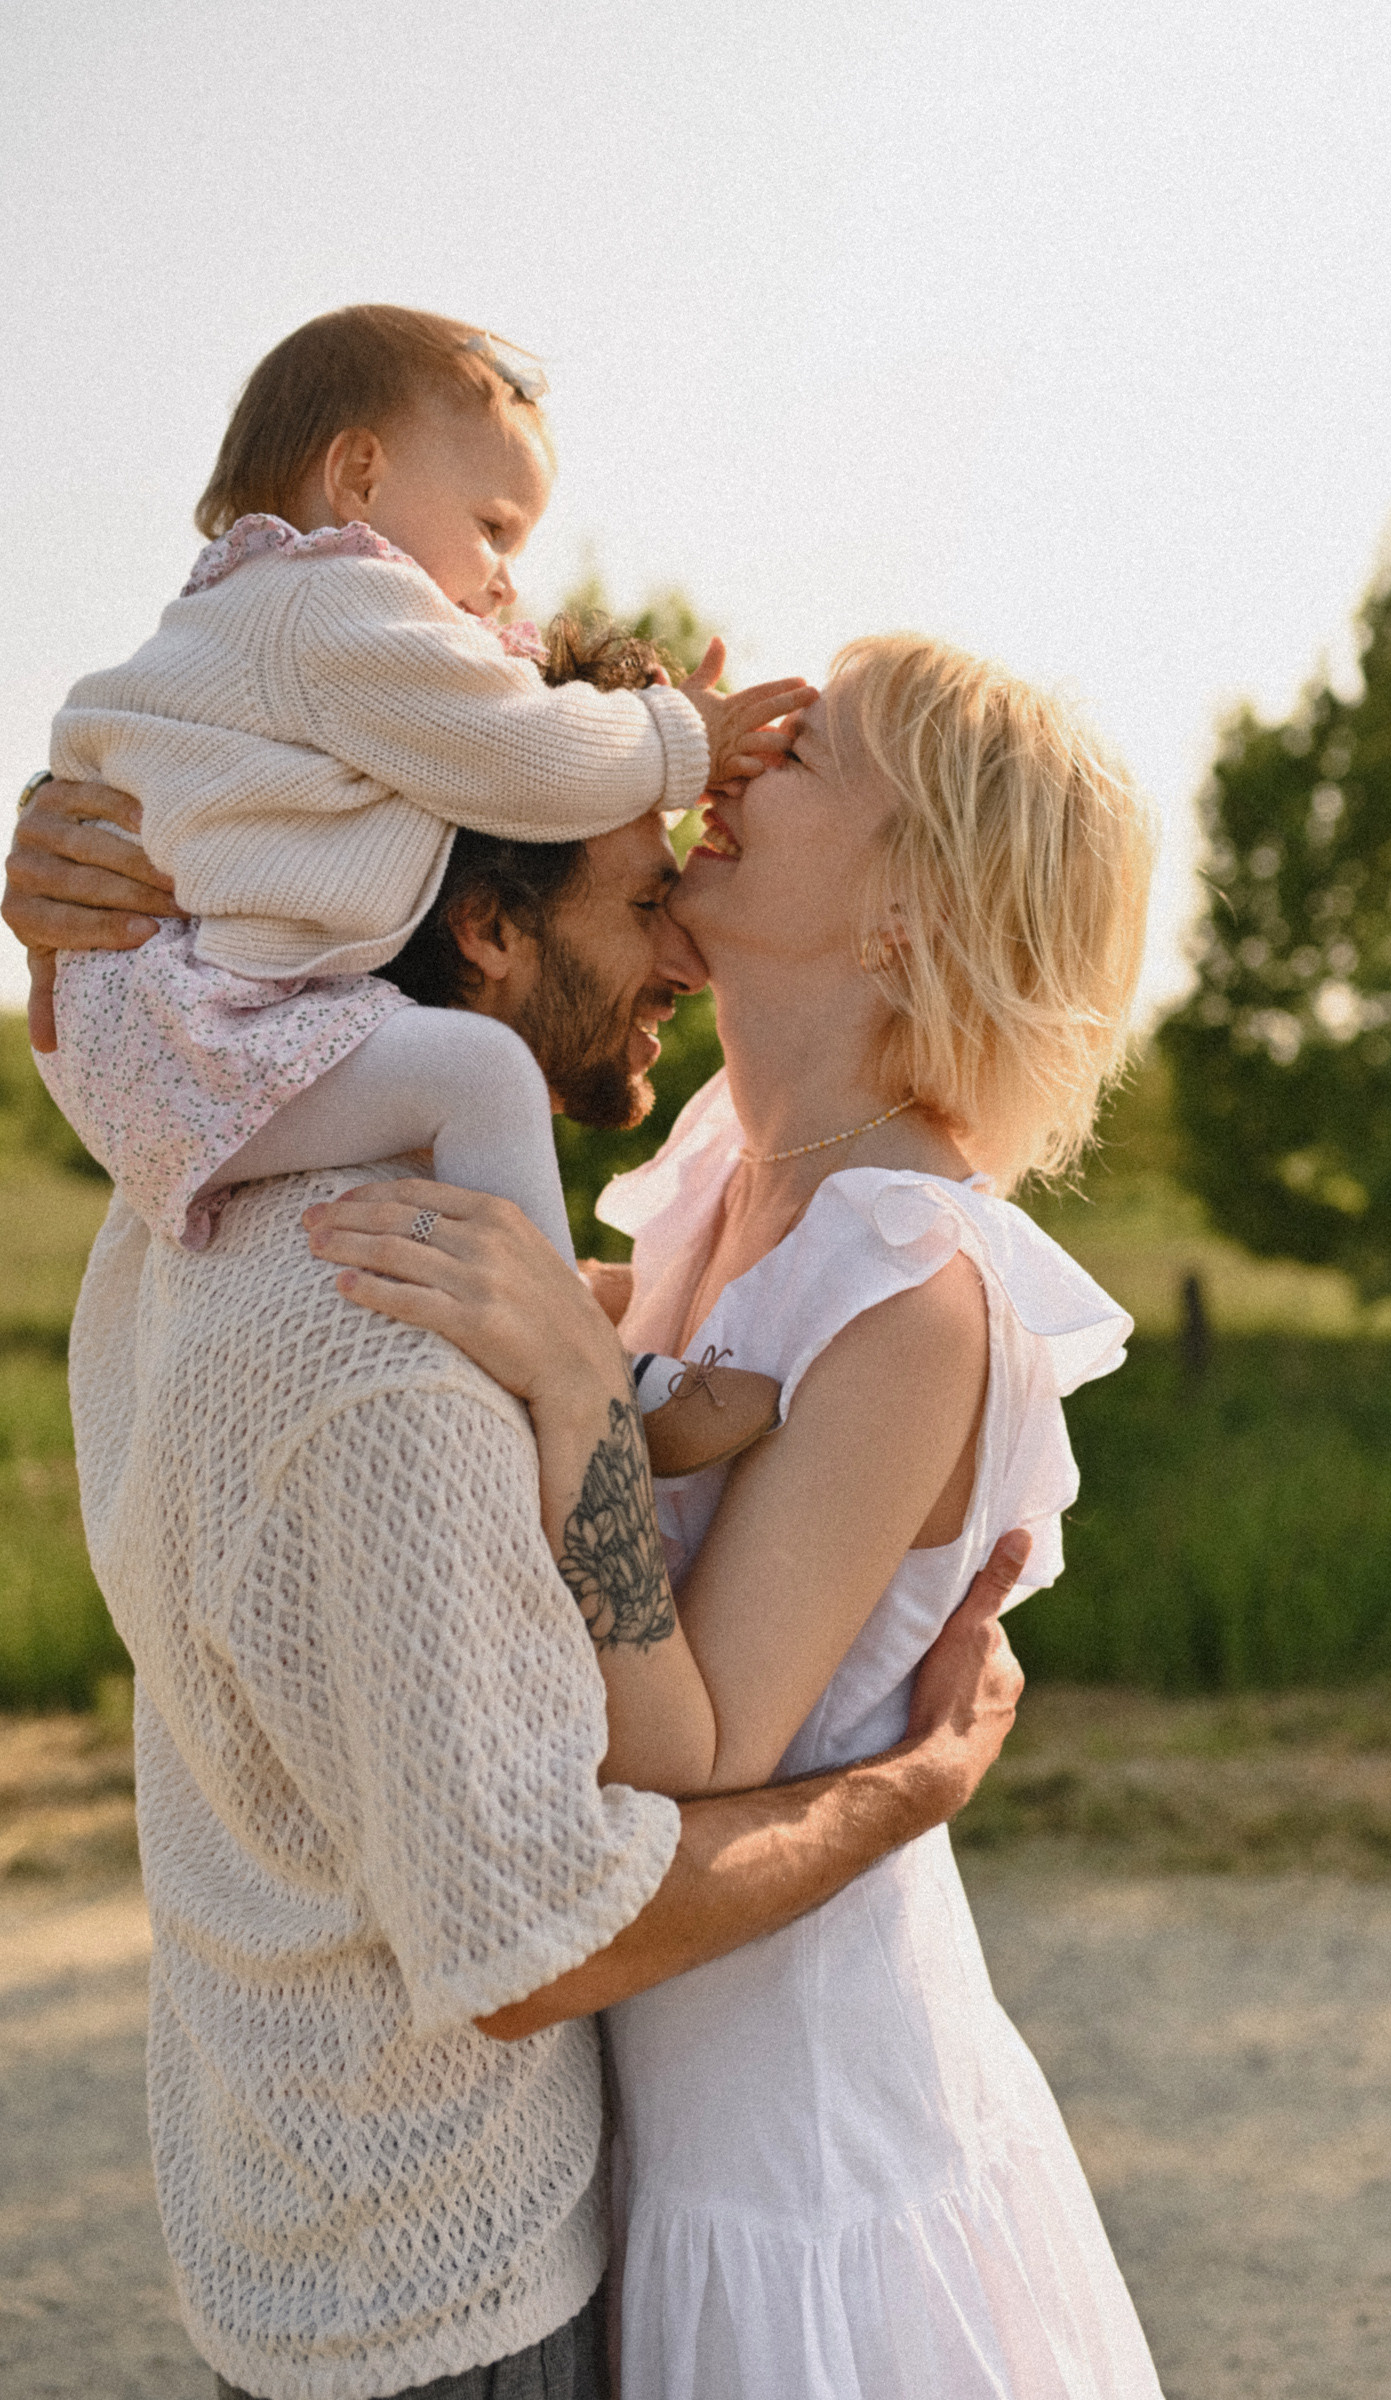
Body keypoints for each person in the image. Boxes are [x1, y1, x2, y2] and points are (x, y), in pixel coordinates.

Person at [4, 744, 1031, 2400]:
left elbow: (432, 739)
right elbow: (541, 1945)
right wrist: (915, 1786)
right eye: (642, 896)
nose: (680, 935)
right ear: (482, 929)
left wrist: (100, 891)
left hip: (351, 2210)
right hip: (432, 2276)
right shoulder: (401, 1353)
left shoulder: (195, 1204)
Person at [302, 635, 1166, 2397]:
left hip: (807, 2180)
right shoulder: (717, 1167)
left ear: (911, 910)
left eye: (817, 756)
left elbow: (693, 1751)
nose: (745, 756)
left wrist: (569, 1384)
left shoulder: (918, 1294)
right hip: (653, 2137)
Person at [37, 301, 805, 1469]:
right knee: (480, 1069)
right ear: (356, 476)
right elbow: (512, 748)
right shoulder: (330, 597)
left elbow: (470, 705)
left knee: (446, 1075)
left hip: (158, 1026)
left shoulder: (257, 629)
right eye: (495, 529)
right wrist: (680, 736)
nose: (504, 583)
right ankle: (589, 1385)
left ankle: (549, 1289)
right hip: (189, 1030)